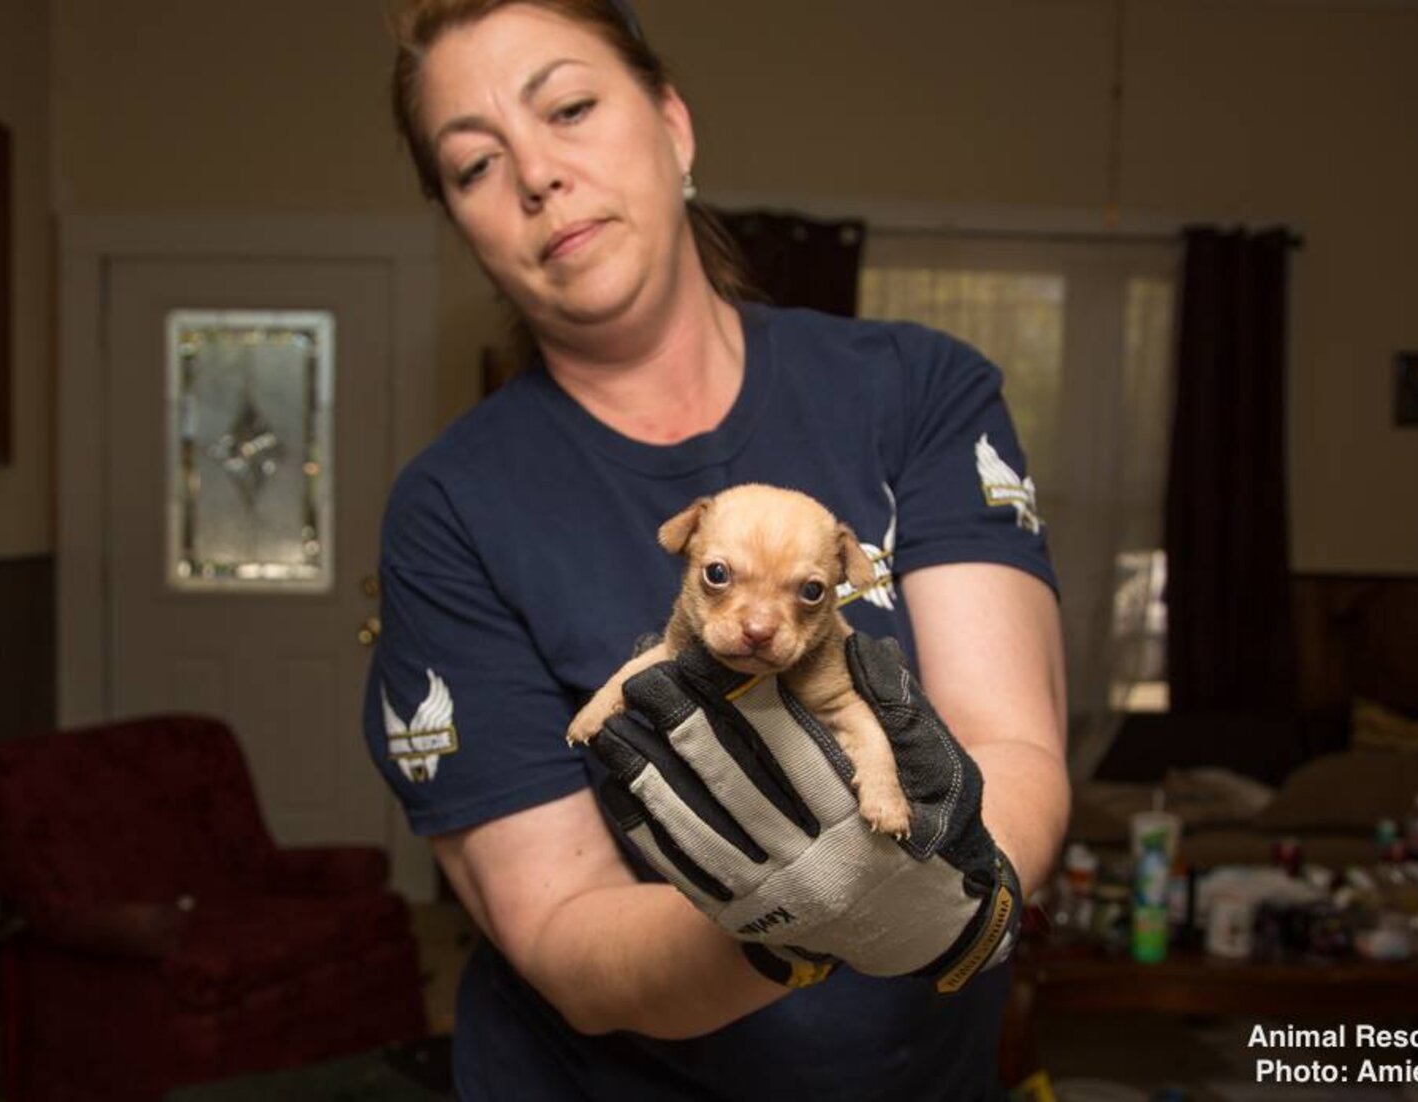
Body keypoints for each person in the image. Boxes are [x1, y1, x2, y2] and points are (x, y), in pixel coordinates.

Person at [364, 1, 1070, 1098]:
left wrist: (935, 901)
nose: (536, 175)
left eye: (571, 108)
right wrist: (790, 917)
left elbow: (1010, 748)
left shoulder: (918, 391)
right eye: (472, 165)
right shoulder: (452, 510)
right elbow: (560, 926)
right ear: (462, 224)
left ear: (673, 125)